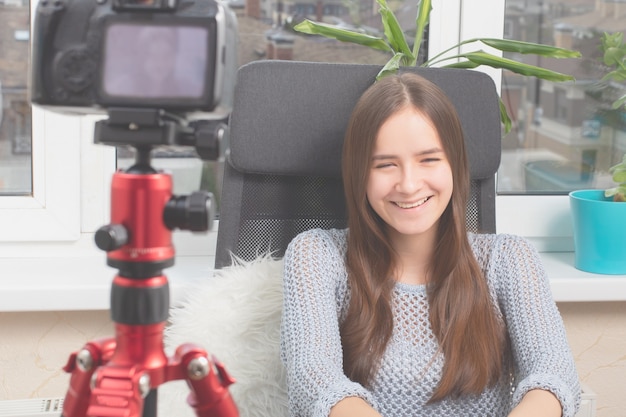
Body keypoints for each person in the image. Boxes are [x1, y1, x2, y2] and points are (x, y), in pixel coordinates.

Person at [279, 72, 581, 417]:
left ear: (455, 164)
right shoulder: (317, 255)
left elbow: (554, 372)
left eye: (429, 159)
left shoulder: (509, 258)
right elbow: (314, 377)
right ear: (359, 172)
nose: (408, 185)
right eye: (385, 164)